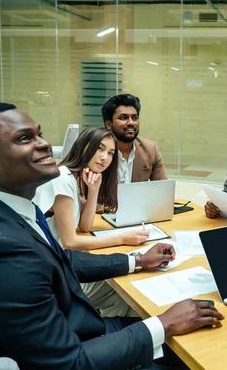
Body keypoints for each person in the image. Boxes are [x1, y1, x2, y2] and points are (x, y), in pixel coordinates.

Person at [0, 103, 224, 370]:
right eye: (25, 139)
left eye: (39, 133)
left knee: (195, 336)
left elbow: (59, 258)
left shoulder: (6, 214)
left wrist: (138, 260)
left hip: (77, 333)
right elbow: (68, 364)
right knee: (205, 354)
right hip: (75, 351)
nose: (43, 143)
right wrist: (164, 324)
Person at [33, 126, 149, 318]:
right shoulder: (62, 178)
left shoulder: (76, 178)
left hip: (61, 267)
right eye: (100, 149)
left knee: (123, 293)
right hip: (52, 280)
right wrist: (122, 238)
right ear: (83, 146)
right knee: (126, 283)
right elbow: (71, 241)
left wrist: (94, 189)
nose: (105, 157)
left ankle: (109, 334)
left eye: (111, 153)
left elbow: (84, 227)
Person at [102, 94, 167, 183]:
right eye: (123, 117)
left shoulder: (150, 149)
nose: (131, 123)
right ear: (109, 124)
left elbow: (162, 189)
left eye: (134, 118)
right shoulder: (96, 150)